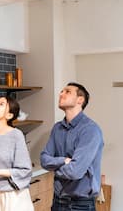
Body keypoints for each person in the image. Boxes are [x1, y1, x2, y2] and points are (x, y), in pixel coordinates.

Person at [40, 82, 104, 211]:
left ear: (80, 100)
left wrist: (55, 169)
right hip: (57, 201)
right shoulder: (57, 128)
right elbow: (44, 159)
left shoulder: (90, 130)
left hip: (81, 205)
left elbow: (75, 171)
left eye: (67, 91)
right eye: (61, 91)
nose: (61, 94)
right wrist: (63, 161)